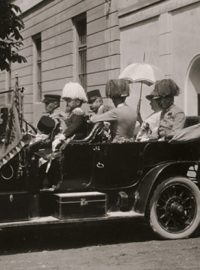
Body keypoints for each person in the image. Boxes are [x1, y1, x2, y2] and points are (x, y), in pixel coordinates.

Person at [90, 79, 137, 143]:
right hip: (131, 144)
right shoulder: (133, 111)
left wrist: (101, 108)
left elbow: (94, 119)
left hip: (116, 146)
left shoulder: (116, 112)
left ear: (113, 97)